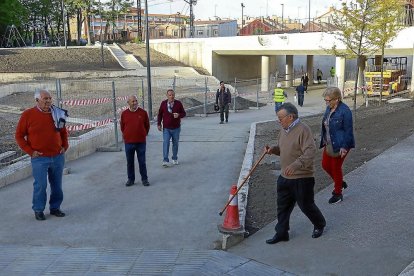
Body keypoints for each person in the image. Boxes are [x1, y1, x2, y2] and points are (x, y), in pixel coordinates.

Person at [265, 102, 326, 244]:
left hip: (302, 177)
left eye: (280, 118)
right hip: (285, 176)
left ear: (290, 117)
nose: (278, 121)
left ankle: (319, 224)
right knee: (282, 207)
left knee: (306, 205)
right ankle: (281, 233)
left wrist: (296, 165)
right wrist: (273, 150)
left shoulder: (304, 130)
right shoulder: (283, 130)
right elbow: (282, 149)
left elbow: (310, 151)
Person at [15, 89, 69, 221]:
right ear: (37, 100)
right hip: (39, 158)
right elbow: (19, 136)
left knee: (57, 185)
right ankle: (38, 210)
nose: (48, 101)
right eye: (45, 99)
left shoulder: (57, 113)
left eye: (50, 98)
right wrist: (30, 151)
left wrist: (65, 146)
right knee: (41, 185)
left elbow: (63, 132)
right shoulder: (28, 115)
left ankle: (55, 208)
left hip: (57, 156)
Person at [320, 87, 355, 204]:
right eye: (325, 100)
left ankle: (338, 193)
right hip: (330, 142)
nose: (326, 102)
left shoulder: (345, 111)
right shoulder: (328, 108)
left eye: (328, 100)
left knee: (335, 167)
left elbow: (348, 131)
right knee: (325, 165)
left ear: (337, 99)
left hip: (341, 144)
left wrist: (344, 147)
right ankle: (340, 183)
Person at [120, 95, 150, 187]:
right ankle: (130, 179)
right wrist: (126, 135)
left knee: (142, 161)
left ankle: (144, 179)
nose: (135, 103)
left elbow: (147, 126)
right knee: (130, 162)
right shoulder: (124, 114)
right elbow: (122, 127)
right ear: (128, 103)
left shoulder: (143, 113)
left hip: (141, 142)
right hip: (129, 142)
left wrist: (143, 134)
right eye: (133, 101)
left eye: (136, 101)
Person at [157, 89, 186, 167]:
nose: (171, 96)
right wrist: (159, 124)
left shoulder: (178, 103)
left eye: (173, 95)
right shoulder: (163, 103)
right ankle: (165, 160)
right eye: (170, 95)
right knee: (166, 143)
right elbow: (159, 114)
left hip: (176, 128)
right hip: (166, 128)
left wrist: (179, 115)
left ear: (174, 95)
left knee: (175, 144)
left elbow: (184, 113)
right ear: (167, 96)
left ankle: (175, 158)